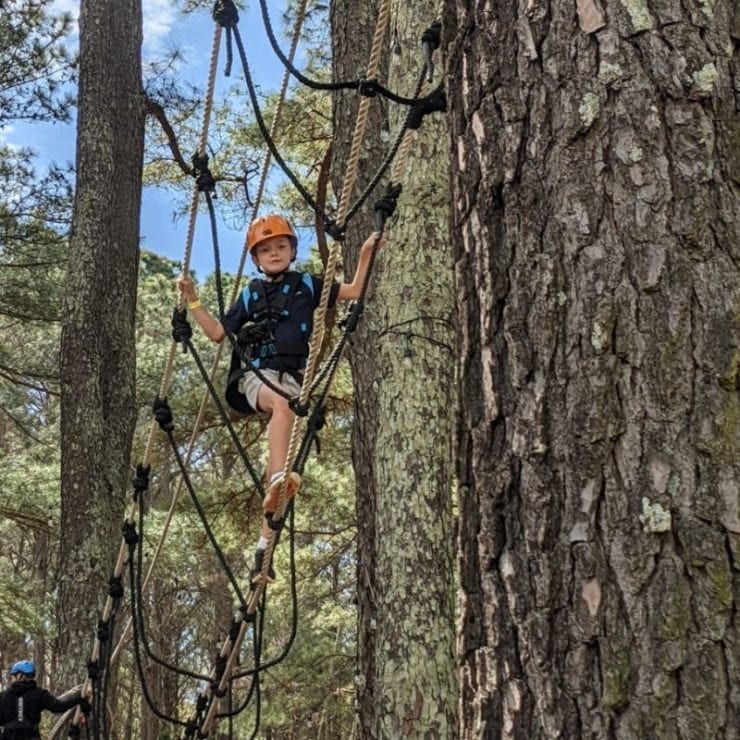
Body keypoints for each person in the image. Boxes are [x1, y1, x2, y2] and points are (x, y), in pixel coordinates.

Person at [177, 213, 385, 583]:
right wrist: (193, 302)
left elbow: (353, 290)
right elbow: (217, 333)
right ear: (256, 258)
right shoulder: (249, 294)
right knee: (281, 411)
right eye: (266, 249)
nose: (274, 253)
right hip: (256, 378)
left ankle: (263, 551)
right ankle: (276, 480)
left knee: (285, 436)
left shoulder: (308, 285)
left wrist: (367, 252)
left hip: (293, 382)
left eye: (281, 246)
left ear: (292, 250)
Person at [0, 661, 91, 739]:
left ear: (19, 676)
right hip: (31, 736)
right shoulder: (39, 694)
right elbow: (58, 706)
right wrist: (79, 699)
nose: (11, 678)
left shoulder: (3, 696)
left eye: (13, 675)